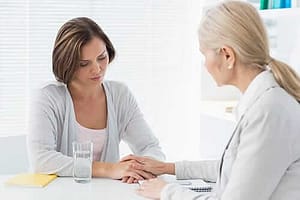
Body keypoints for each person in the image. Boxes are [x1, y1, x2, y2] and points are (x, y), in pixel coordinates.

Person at [122, 1, 300, 199]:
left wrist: (166, 191)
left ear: (227, 55)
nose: (205, 65)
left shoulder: (268, 111)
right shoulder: (264, 103)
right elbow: (234, 167)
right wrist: (168, 168)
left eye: (204, 54)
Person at [27, 17, 165, 184]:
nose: (97, 69)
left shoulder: (119, 94)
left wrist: (138, 168)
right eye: (84, 64)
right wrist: (109, 169)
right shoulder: (47, 96)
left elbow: (150, 147)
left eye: (102, 57)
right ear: (66, 64)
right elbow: (41, 160)